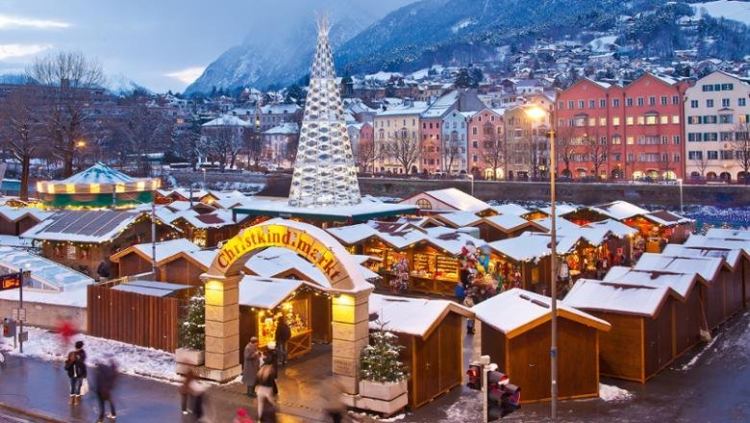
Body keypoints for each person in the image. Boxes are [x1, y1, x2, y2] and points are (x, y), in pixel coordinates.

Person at [94, 355, 118, 423]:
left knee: (101, 404)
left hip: (101, 390)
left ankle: (100, 419)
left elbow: (99, 382)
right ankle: (113, 414)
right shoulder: (112, 372)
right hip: (107, 390)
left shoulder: (100, 372)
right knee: (110, 401)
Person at [64, 340, 87, 405]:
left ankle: (76, 399)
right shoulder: (72, 353)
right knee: (73, 386)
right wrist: (72, 361)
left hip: (80, 373)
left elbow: (82, 363)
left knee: (78, 386)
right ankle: (72, 399)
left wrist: (77, 359)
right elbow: (67, 362)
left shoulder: (82, 354)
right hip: (73, 373)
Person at [256, 356, 277, 420]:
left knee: (260, 404)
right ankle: (272, 417)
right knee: (271, 404)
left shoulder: (261, 370)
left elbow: (256, 380)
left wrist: (256, 387)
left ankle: (260, 417)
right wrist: (274, 391)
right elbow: (272, 382)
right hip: (267, 390)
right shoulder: (270, 371)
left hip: (260, 389)